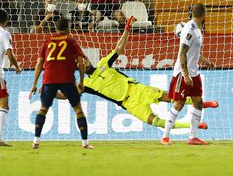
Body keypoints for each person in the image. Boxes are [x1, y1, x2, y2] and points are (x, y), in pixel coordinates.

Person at [70, 16, 218, 131]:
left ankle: (203, 104)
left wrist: (127, 28)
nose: (83, 63)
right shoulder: (86, 84)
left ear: (88, 60)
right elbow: (67, 95)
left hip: (137, 89)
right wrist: (49, 91)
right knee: (155, 121)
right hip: (129, 103)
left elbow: (119, 48)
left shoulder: (104, 63)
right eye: (79, 64)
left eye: (84, 60)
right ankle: (192, 126)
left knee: (173, 98)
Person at [28, 18, 93, 149]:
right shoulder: (71, 40)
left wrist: (34, 84)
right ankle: (85, 143)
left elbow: (39, 63)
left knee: (43, 109)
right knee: (78, 109)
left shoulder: (47, 41)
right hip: (66, 79)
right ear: (68, 28)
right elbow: (80, 62)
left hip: (48, 79)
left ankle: (35, 141)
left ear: (56, 29)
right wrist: (81, 81)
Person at [161, 3, 215, 146]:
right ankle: (165, 137)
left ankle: (193, 137)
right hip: (182, 73)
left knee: (198, 102)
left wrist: (205, 61)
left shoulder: (197, 30)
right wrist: (185, 75)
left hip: (194, 72)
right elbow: (182, 52)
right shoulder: (189, 30)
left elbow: (194, 51)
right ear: (204, 14)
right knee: (179, 103)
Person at [0, 9, 22, 146]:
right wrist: (17, 67)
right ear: (6, 21)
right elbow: (9, 53)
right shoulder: (4, 33)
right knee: (3, 103)